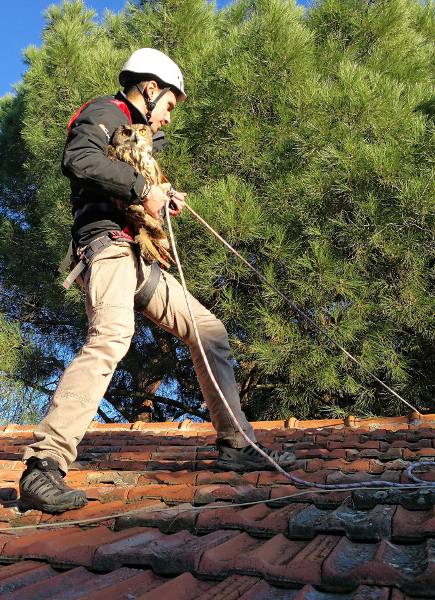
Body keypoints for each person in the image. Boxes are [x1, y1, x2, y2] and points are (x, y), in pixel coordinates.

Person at [19, 48, 296, 514]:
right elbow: (79, 160)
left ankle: (236, 444)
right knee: (111, 336)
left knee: (208, 331)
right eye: (170, 103)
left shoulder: (143, 138)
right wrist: (144, 189)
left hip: (139, 255)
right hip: (106, 247)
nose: (169, 115)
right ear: (150, 89)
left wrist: (159, 194)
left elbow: (130, 179)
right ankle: (43, 467)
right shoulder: (104, 112)